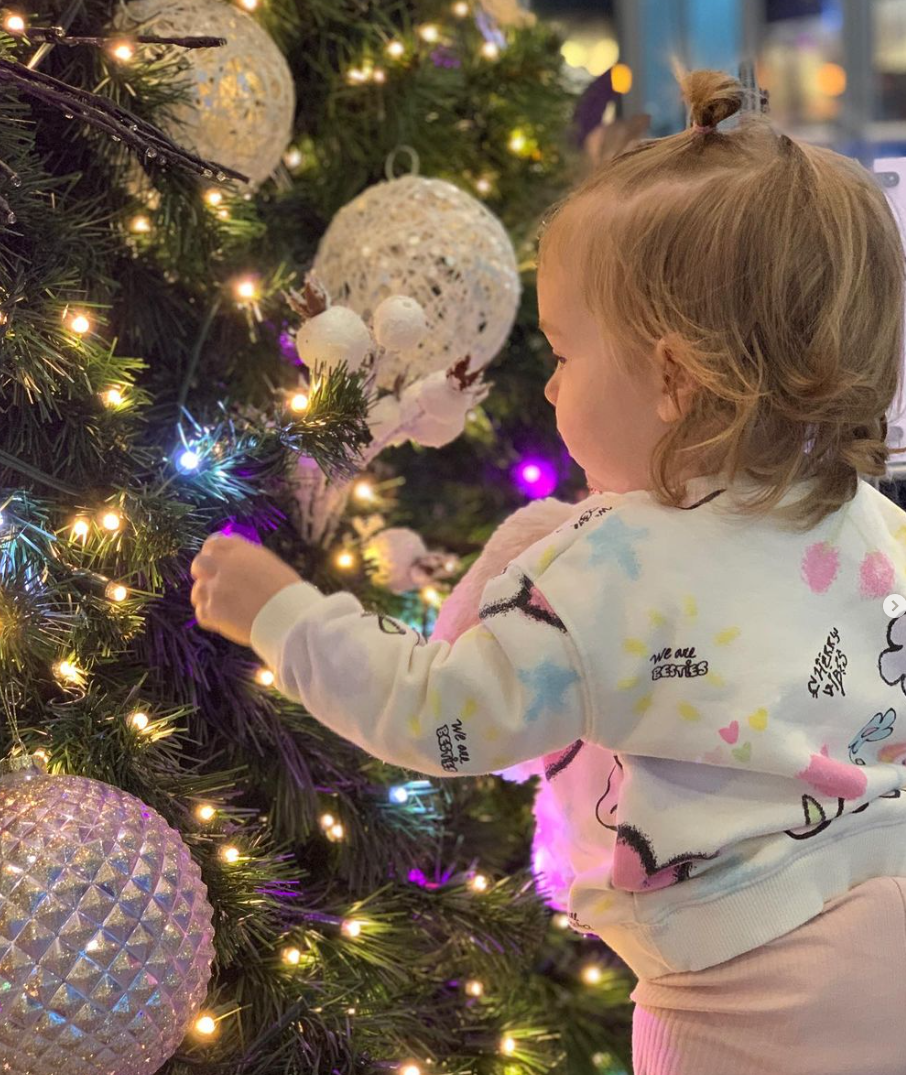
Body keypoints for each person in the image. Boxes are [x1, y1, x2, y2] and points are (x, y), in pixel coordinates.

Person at [191, 68, 906, 1075]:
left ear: (671, 378)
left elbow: (444, 714)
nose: (554, 383)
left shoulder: (610, 568)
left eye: (566, 355)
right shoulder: (863, 515)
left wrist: (286, 615)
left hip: (745, 1002)